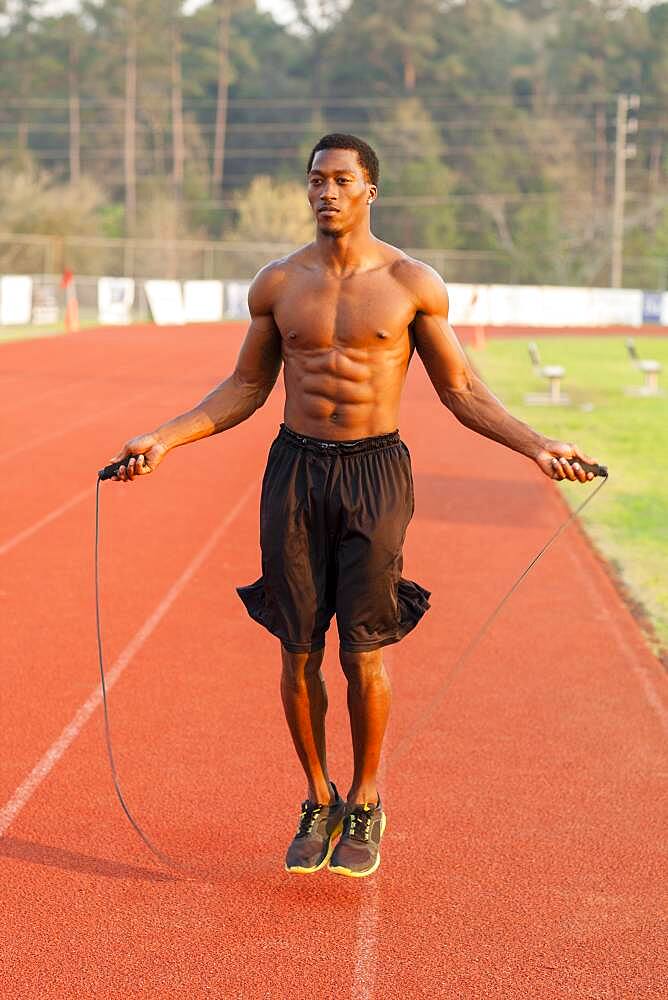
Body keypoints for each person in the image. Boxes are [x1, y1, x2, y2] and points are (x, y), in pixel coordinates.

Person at [108, 133, 599, 879]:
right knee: (296, 647)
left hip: (375, 472)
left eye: (341, 180)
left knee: (363, 649)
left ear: (371, 190)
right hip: (295, 472)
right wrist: (166, 439)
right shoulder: (277, 284)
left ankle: (366, 799)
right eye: (315, 180)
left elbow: (460, 391)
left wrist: (536, 445)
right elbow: (245, 388)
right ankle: (317, 796)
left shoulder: (411, 282)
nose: (325, 192)